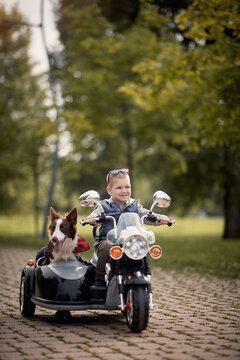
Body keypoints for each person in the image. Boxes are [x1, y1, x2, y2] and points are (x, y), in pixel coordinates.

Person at [86, 168, 170, 287]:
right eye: (119, 188)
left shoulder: (134, 205)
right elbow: (96, 213)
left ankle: (144, 274)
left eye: (127, 187)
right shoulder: (104, 205)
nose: (124, 191)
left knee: (143, 247)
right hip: (109, 240)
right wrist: (93, 218)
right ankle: (99, 279)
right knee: (106, 248)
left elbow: (146, 215)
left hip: (130, 240)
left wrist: (158, 217)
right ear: (109, 190)